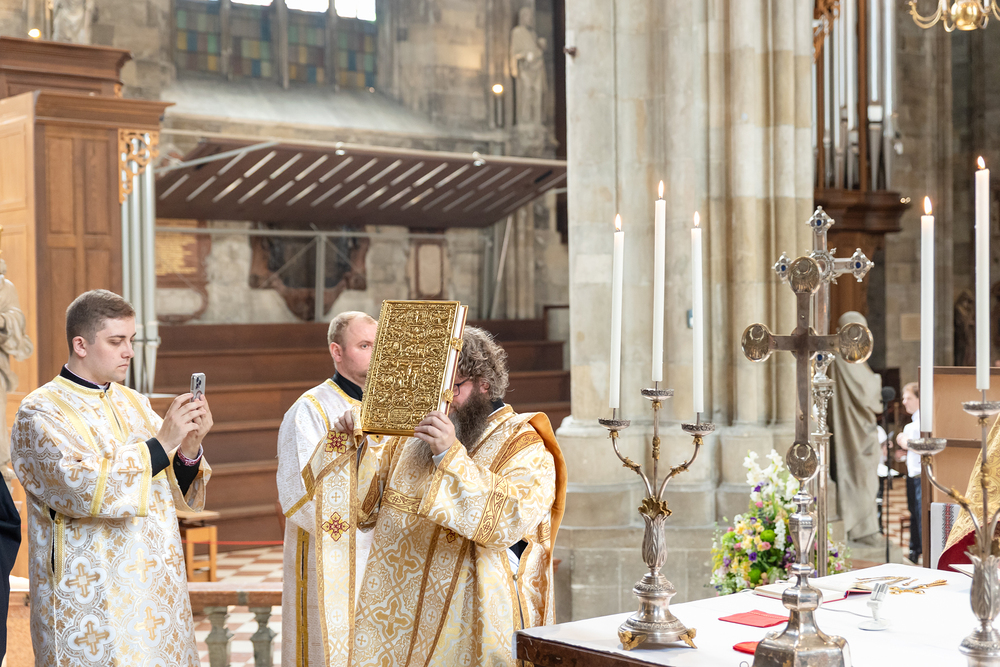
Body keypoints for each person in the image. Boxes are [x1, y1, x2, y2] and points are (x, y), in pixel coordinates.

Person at [329, 326, 566, 666]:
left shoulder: (522, 442)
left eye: (453, 388)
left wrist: (449, 456)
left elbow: (509, 522)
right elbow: (365, 511)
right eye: (433, 389)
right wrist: (361, 445)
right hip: (398, 616)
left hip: (466, 616)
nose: (441, 401)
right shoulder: (412, 437)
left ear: (484, 384)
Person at [10, 289, 212, 666]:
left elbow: (169, 488)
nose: (129, 352)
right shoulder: (39, 412)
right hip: (90, 596)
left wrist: (188, 448)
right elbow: (80, 488)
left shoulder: (135, 403)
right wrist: (161, 444)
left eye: (131, 340)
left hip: (153, 591)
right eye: (117, 341)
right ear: (81, 344)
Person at [276, 310, 377, 667]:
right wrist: (345, 446)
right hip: (333, 558)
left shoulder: (390, 407)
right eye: (364, 345)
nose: (375, 354)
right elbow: (297, 493)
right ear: (337, 351)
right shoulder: (310, 409)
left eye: (378, 345)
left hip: (383, 554)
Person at [829, 311, 883, 545]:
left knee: (865, 477)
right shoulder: (845, 357)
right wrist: (878, 380)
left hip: (860, 428)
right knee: (860, 477)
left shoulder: (850, 357)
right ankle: (862, 529)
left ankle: (865, 528)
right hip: (855, 434)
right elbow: (867, 392)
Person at [896, 381, 922, 563]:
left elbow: (924, 446)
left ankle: (923, 550)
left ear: (919, 399)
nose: (904, 402)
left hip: (922, 476)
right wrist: (904, 454)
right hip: (912, 475)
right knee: (913, 513)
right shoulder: (911, 424)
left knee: (920, 514)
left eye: (909, 398)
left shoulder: (924, 421)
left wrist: (905, 442)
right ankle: (915, 549)